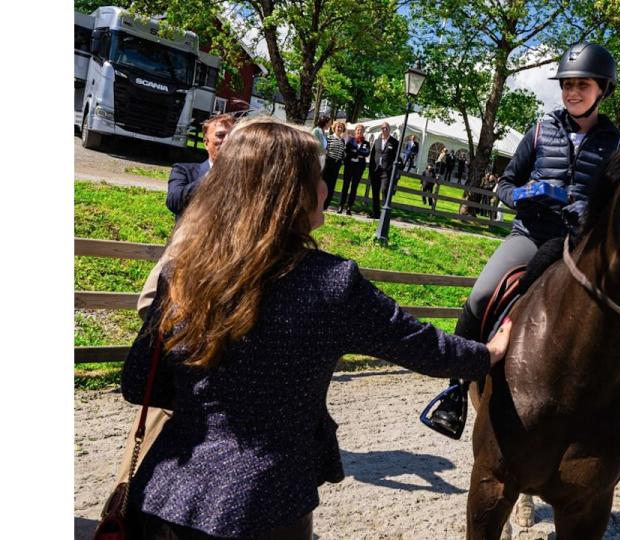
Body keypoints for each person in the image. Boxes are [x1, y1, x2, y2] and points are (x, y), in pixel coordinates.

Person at [121, 117, 514, 540]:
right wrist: (486, 354)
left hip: (163, 496)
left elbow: (139, 382)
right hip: (265, 506)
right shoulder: (331, 284)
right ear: (293, 194)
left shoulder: (182, 273)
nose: (326, 187)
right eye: (317, 177)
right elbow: (418, 344)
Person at [423, 43, 620, 453]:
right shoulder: (540, 130)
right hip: (531, 236)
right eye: (567, 85)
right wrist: (524, 195)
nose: (573, 92)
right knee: (481, 294)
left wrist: (589, 209)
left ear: (602, 90)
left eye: (582, 85)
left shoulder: (615, 143)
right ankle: (454, 391)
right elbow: (503, 183)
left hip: (584, 246)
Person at [165, 113, 236, 222]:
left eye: (233, 136)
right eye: (220, 135)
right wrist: (214, 174)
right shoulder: (183, 171)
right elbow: (174, 202)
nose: (227, 140)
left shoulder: (243, 177)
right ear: (206, 143)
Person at [368, 122, 400, 219]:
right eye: (382, 128)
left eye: (386, 128)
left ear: (389, 130)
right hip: (376, 170)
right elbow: (373, 155)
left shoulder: (394, 142)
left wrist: (394, 170)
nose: (384, 130)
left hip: (386, 171)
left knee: (384, 190)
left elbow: (397, 157)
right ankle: (375, 213)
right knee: (375, 191)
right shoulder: (377, 141)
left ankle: (384, 213)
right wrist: (371, 169)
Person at [339, 124, 370, 215]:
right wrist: (358, 153)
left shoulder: (366, 143)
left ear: (363, 132)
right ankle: (341, 205)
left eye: (361, 130)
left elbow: (366, 153)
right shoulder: (350, 140)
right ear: (355, 131)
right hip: (349, 166)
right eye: (358, 130)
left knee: (354, 187)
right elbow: (347, 150)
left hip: (359, 168)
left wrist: (356, 151)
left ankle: (349, 207)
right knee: (345, 186)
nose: (359, 131)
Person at [322, 121, 348, 210]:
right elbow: (325, 149)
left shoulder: (342, 140)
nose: (339, 128)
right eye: (338, 127)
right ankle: (320, 203)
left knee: (331, 185)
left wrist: (342, 159)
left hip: (337, 165)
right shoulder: (329, 138)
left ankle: (326, 205)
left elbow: (343, 152)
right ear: (334, 128)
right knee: (324, 183)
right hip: (329, 163)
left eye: (341, 127)